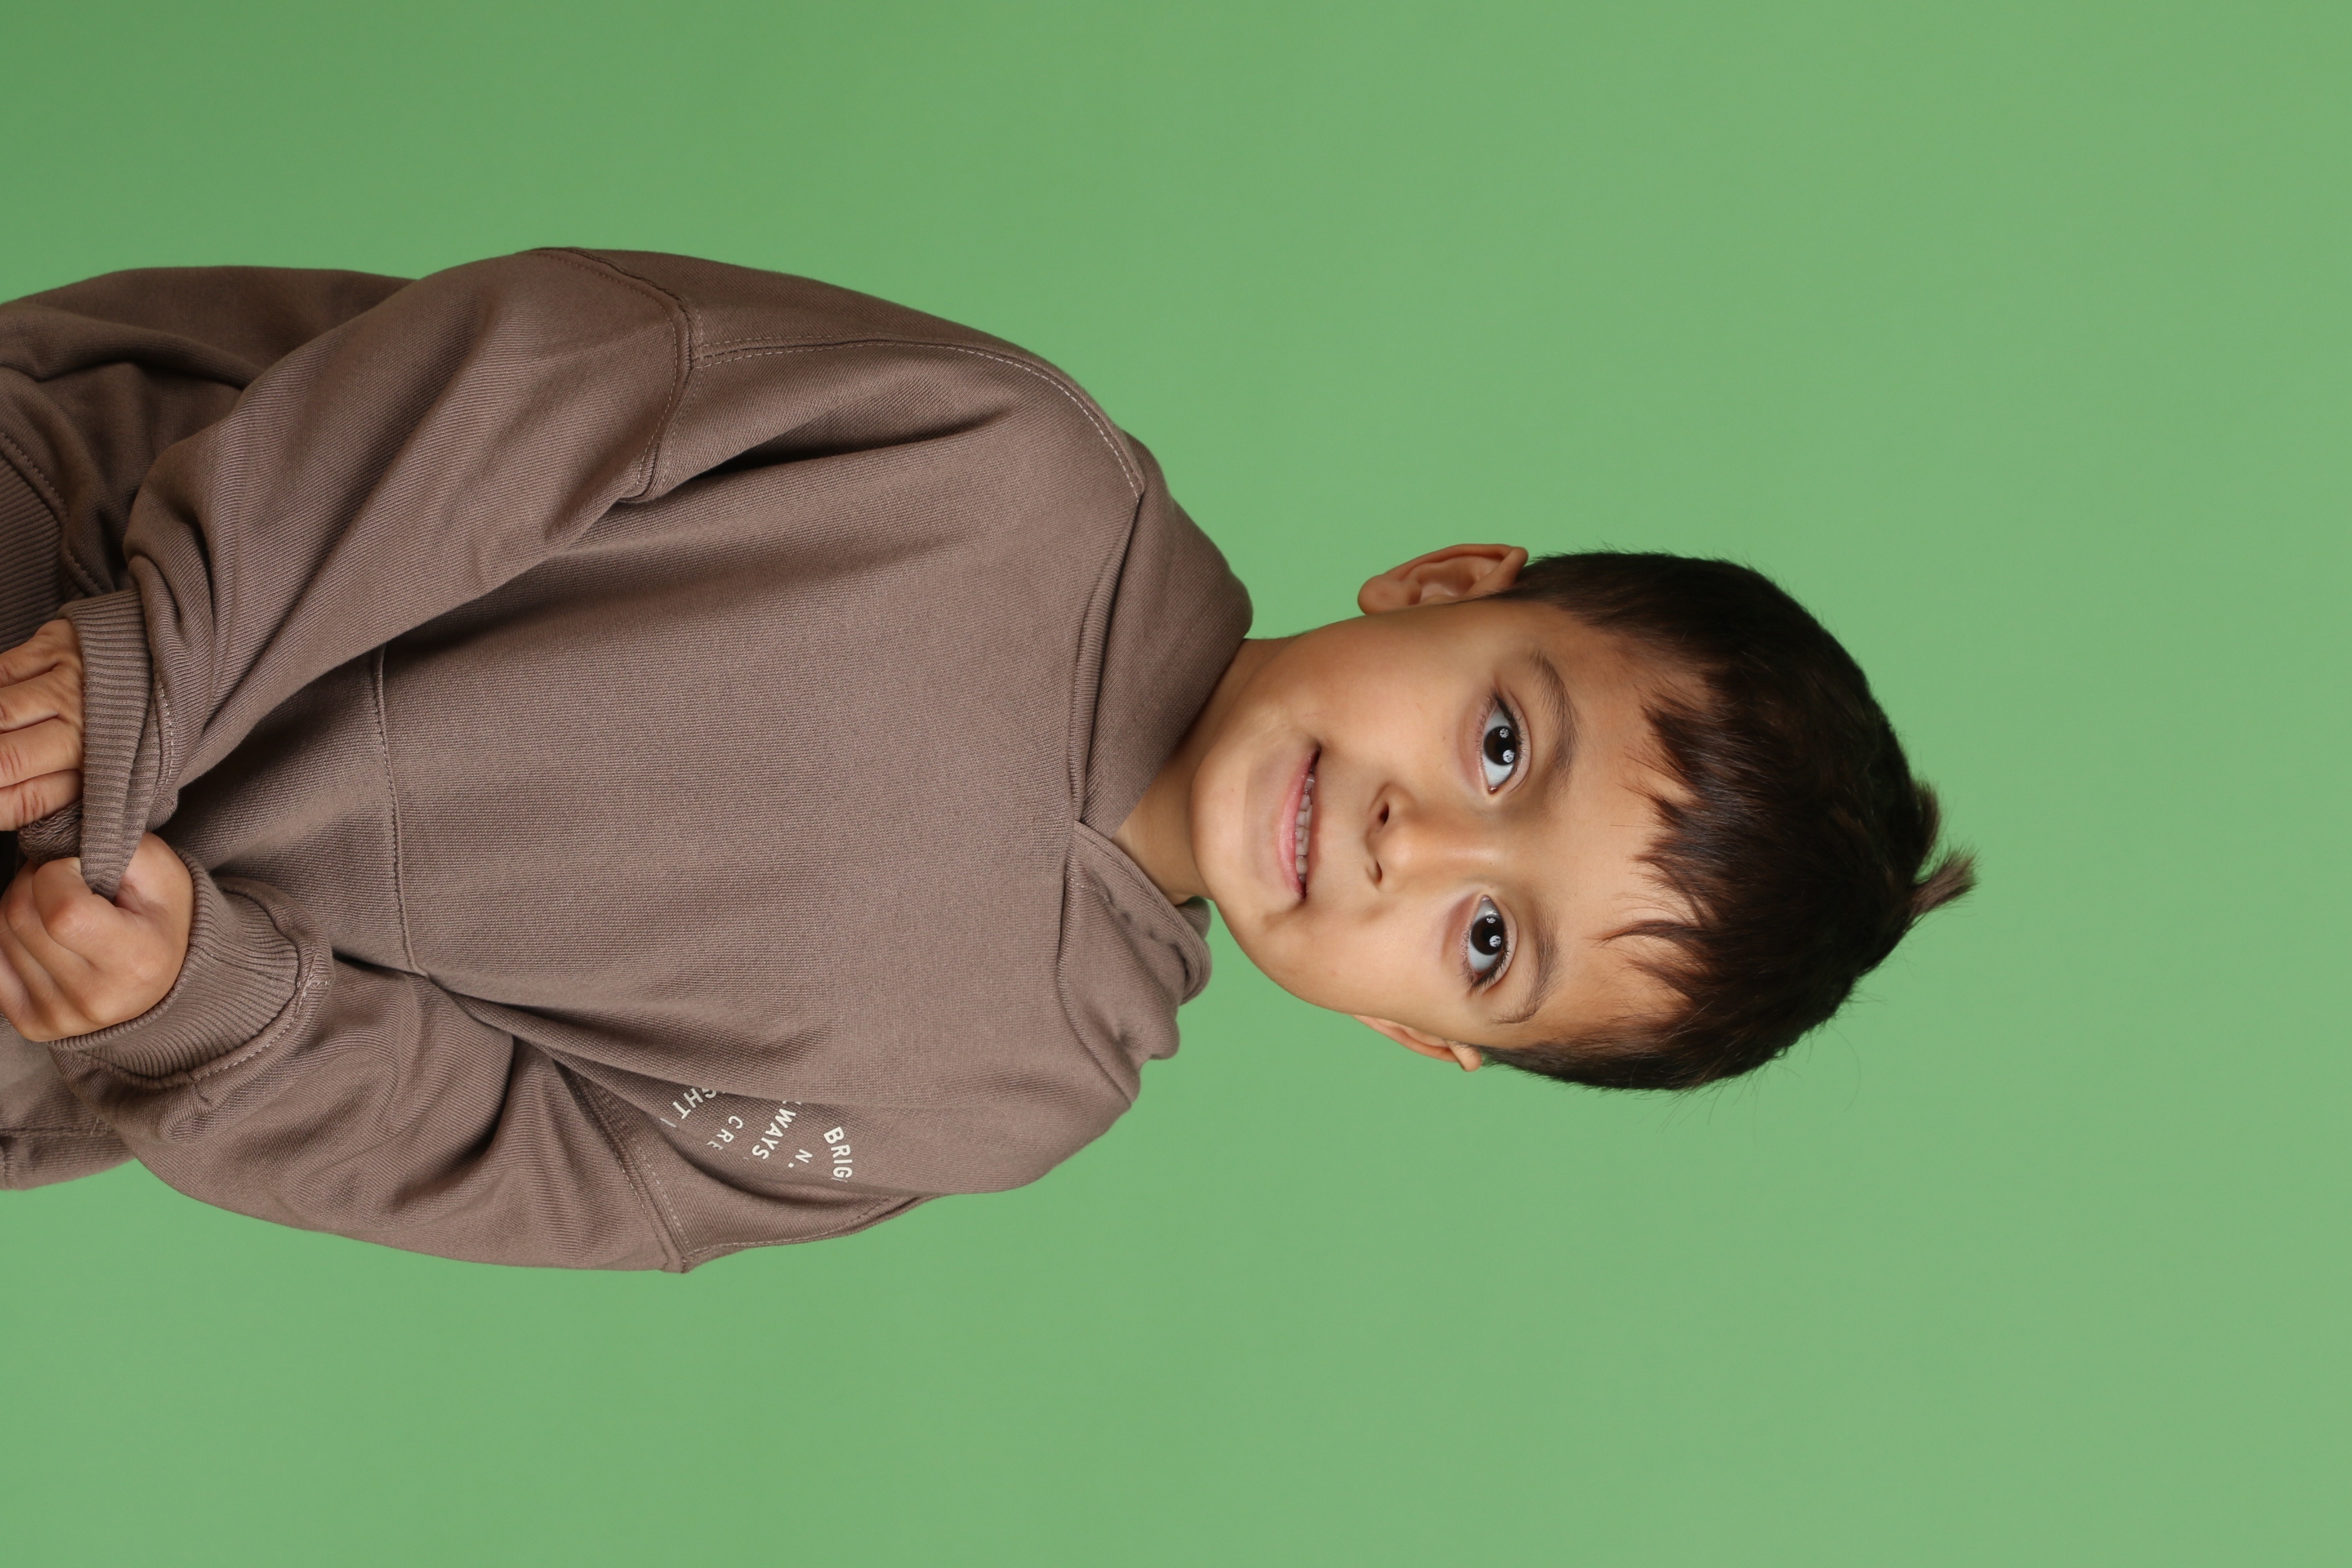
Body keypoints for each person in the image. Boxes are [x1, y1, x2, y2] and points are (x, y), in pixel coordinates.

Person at [0, 250, 1973, 1269]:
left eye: (1485, 942)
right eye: (1502, 743)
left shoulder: (998, 1099)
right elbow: (532, 377)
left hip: (60, 981)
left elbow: (545, 1164)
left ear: (1419, 1035)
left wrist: (205, 1008)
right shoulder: (1004, 474)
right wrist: (166, 644)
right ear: (1445, 584)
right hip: (76, 573)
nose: (1411, 840)